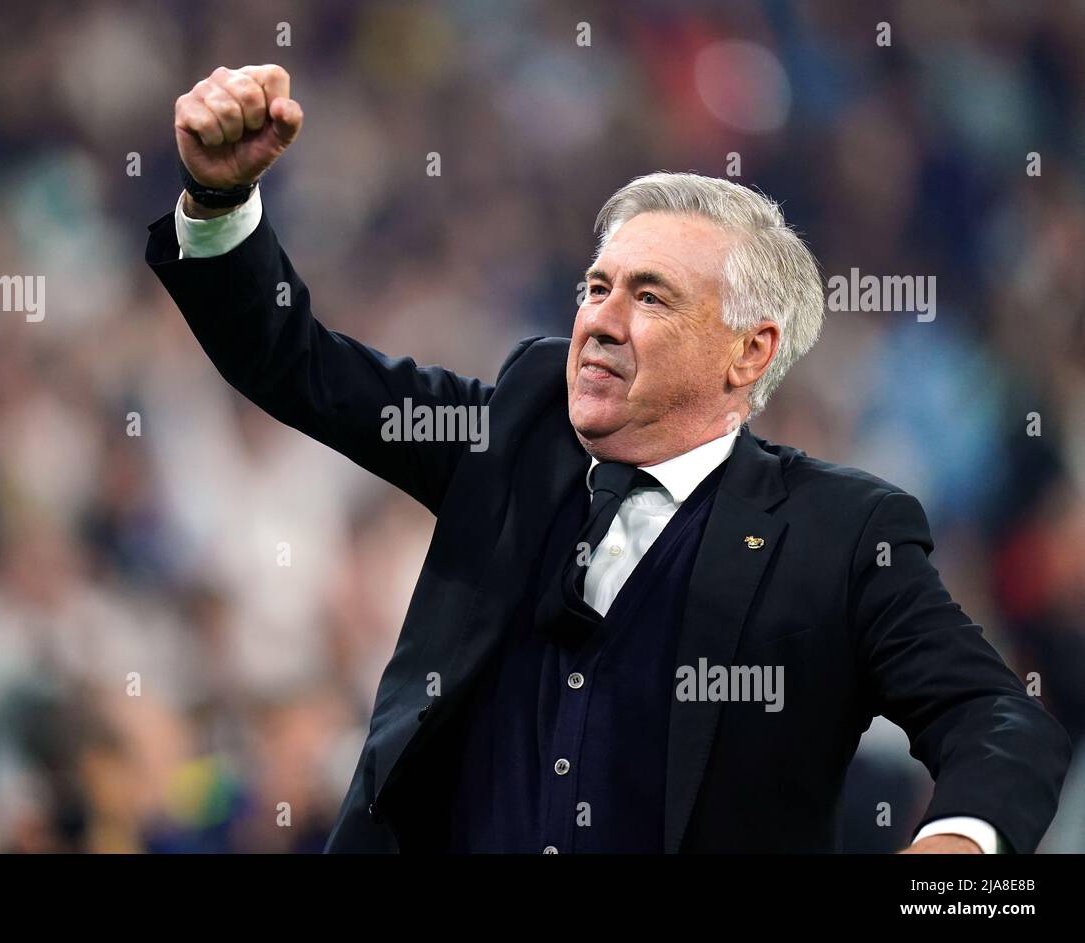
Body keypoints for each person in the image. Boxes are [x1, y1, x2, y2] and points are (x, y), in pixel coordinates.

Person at [145, 63, 1071, 853]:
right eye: (596, 286)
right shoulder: (514, 433)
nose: (599, 320)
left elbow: (998, 719)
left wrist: (956, 848)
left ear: (748, 351)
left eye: (650, 296)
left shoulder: (840, 533)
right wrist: (221, 201)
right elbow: (298, 365)